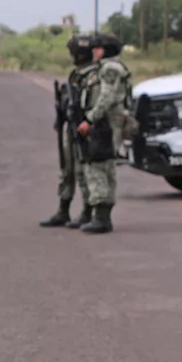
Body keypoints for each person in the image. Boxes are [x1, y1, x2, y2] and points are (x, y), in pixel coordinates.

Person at [75, 34, 129, 234]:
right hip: (109, 121)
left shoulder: (109, 69)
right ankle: (102, 216)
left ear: (107, 50)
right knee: (105, 166)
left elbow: (106, 97)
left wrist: (90, 119)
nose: (94, 51)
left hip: (105, 122)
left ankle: (101, 216)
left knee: (97, 166)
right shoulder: (110, 67)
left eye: (98, 48)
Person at [40, 35, 95, 227]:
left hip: (85, 129)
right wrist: (60, 114)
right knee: (66, 169)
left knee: (82, 171)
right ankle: (63, 210)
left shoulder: (93, 75)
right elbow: (68, 99)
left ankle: (88, 211)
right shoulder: (75, 74)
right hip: (70, 127)